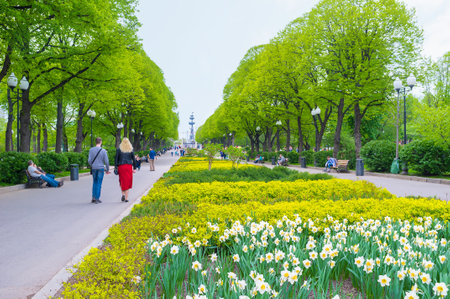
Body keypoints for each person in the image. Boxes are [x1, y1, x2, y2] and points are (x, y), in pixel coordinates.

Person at [88, 137, 110, 204]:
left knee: (94, 182)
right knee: (99, 183)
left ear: (95, 142)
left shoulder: (91, 150)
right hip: (100, 168)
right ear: (101, 142)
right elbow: (106, 161)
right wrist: (107, 169)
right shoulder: (103, 151)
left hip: (94, 168)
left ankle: (93, 197)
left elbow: (89, 160)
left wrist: (92, 165)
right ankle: (97, 198)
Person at [115, 138, 137, 203]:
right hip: (128, 167)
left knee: (122, 181)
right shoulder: (130, 149)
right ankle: (126, 198)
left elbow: (116, 159)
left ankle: (123, 194)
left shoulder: (119, 149)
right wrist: (135, 168)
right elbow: (134, 159)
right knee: (127, 181)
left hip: (121, 166)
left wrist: (116, 167)